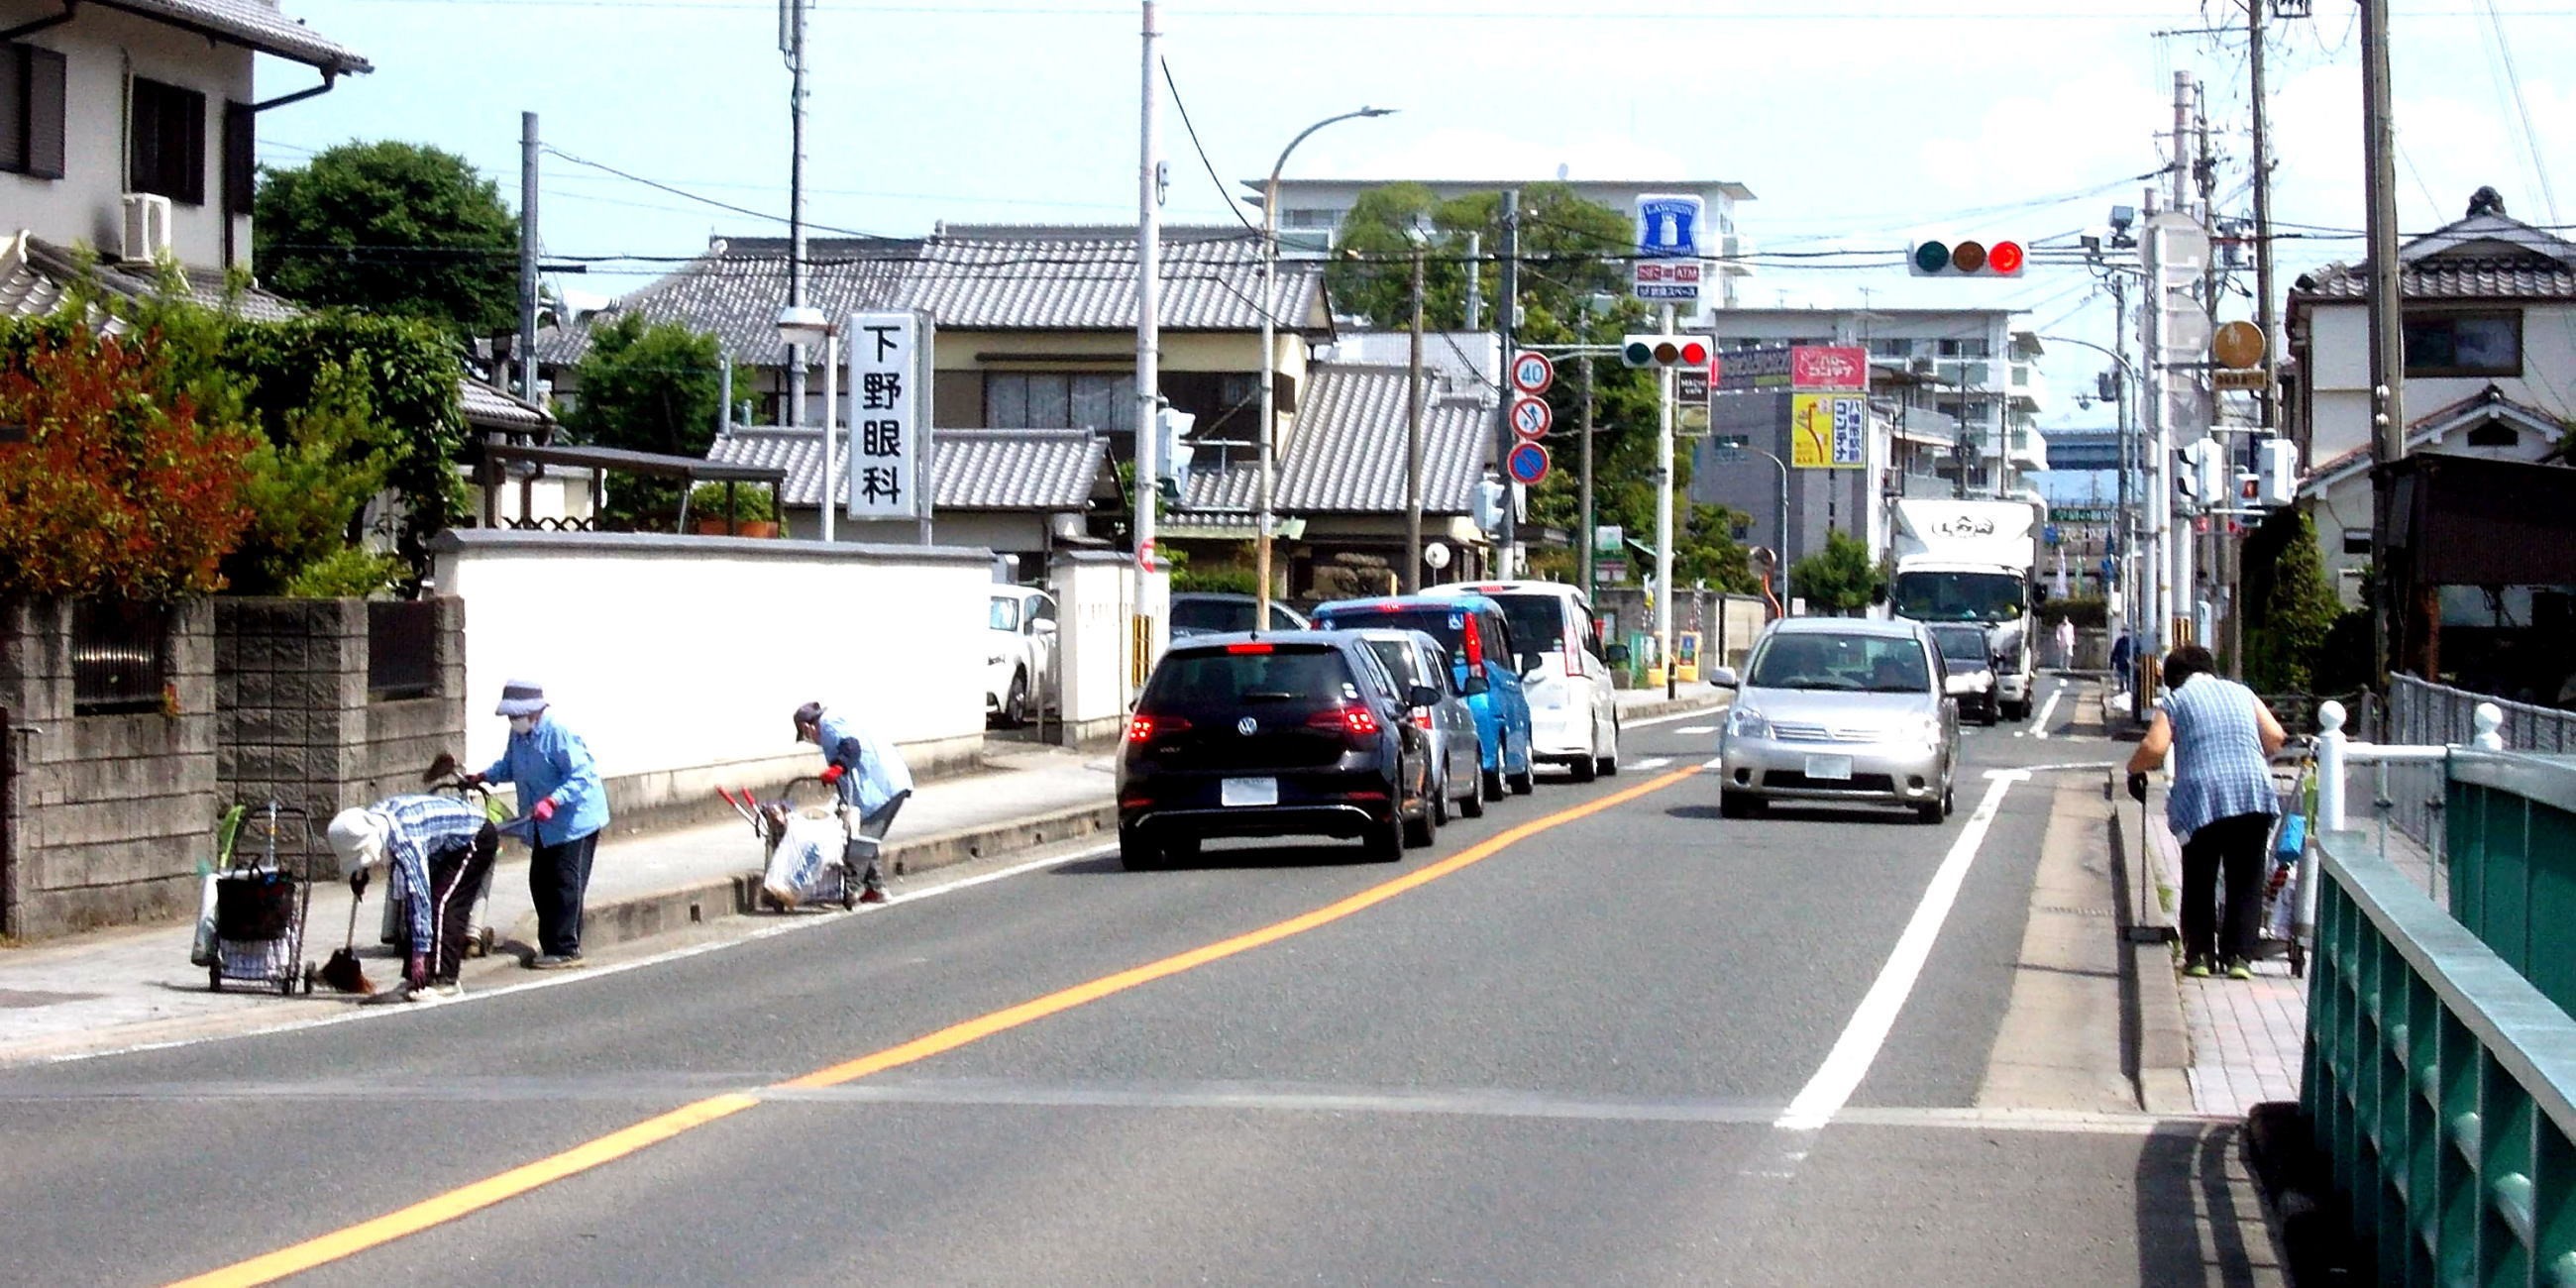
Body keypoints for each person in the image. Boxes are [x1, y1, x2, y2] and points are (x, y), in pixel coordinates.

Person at [2126, 644, 2287, 981]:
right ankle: (2240, 958)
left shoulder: (2176, 700)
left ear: (2173, 680)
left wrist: (2133, 770)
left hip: (2203, 796)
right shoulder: (2241, 692)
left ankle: (2199, 955)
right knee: (2246, 878)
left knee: (2200, 876)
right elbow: (2274, 736)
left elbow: (2154, 748)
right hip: (2252, 791)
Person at [465, 680, 608, 969]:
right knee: (540, 881)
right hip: (541, 822)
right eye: (511, 716)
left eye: (517, 715)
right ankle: (551, 945)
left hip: (574, 821)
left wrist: (553, 801)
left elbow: (582, 776)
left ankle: (566, 948)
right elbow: (510, 765)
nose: (513, 721)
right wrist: (484, 776)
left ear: (535, 712)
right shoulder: (519, 737)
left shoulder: (558, 734)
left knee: (565, 883)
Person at [326, 796, 498, 1002]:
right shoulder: (375, 821)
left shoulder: (406, 841)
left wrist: (419, 954)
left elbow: (420, 896)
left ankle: (445, 981)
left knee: (442, 904)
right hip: (443, 845)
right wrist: (361, 873)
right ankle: (417, 979)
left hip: (474, 838)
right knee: (411, 906)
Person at [792, 700, 912, 904]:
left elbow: (851, 747)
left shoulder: (829, 727)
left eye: (806, 736)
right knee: (864, 836)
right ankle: (876, 888)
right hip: (880, 787)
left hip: (883, 788)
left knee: (860, 840)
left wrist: (837, 769)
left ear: (807, 727)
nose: (811, 740)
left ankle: (852, 889)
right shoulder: (835, 723)